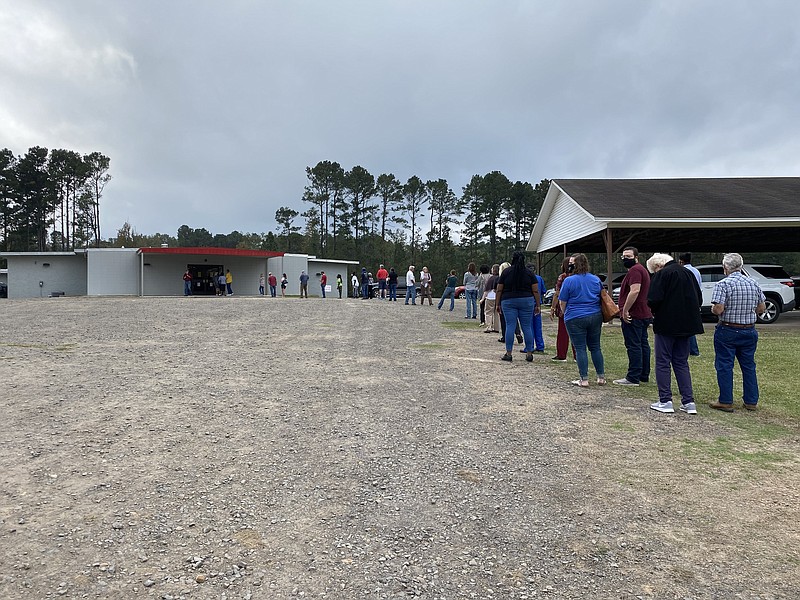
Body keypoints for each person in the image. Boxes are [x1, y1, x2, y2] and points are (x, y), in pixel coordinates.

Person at [646, 253, 704, 414]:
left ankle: (665, 400)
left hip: (666, 323)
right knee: (681, 362)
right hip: (687, 325)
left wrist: (656, 311)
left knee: (663, 361)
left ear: (658, 266)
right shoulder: (688, 273)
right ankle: (689, 401)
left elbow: (653, 299)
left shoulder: (663, 274)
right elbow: (698, 298)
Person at [709, 252, 766, 412]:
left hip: (727, 329)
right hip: (749, 330)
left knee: (725, 365)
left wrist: (713, 309)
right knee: (748, 366)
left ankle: (726, 400)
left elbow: (718, 309)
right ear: (740, 266)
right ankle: (751, 401)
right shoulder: (753, 283)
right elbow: (761, 308)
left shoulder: (723, 284)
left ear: (725, 267)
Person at [558, 253, 605, 387]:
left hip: (575, 316)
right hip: (595, 315)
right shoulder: (595, 279)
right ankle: (601, 377)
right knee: (595, 347)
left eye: (572, 263)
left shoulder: (569, 281)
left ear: (576, 265)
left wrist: (565, 312)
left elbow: (563, 301)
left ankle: (584, 379)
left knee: (580, 348)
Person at [613, 246, 652, 387]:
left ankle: (633, 377)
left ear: (636, 257)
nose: (625, 259)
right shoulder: (641, 270)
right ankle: (643, 374)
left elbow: (635, 291)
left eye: (628, 256)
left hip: (634, 314)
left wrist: (625, 310)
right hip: (643, 313)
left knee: (634, 345)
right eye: (623, 256)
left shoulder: (635, 270)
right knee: (642, 344)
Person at [495, 250, 538, 362]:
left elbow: (499, 289)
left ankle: (509, 353)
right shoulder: (529, 273)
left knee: (510, 326)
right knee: (527, 327)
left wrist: (497, 303)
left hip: (508, 300)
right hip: (526, 300)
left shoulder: (506, 272)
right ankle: (529, 353)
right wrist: (537, 304)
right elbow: (535, 291)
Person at [550, 257, 574, 362]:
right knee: (576, 332)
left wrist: (553, 307)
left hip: (564, 307)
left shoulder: (563, 277)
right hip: (576, 307)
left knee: (563, 332)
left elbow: (557, 293)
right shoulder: (578, 276)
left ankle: (561, 354)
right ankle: (577, 356)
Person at [679, 252, 702, 356]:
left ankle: (692, 349)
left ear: (681, 261)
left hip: (685, 301)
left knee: (686, 326)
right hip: (696, 300)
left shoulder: (683, 271)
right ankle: (693, 349)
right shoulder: (696, 271)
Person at [529, 264, 546, 353]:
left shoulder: (527, 278)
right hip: (538, 304)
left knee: (529, 326)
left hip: (529, 304)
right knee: (538, 326)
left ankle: (529, 346)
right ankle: (540, 346)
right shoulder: (539, 278)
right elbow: (543, 291)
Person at [482, 264, 500, 333]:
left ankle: (488, 327)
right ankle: (497, 327)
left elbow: (487, 290)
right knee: (496, 313)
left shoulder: (491, 278)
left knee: (488, 312)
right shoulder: (500, 277)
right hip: (497, 297)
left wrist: (482, 299)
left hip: (490, 297)